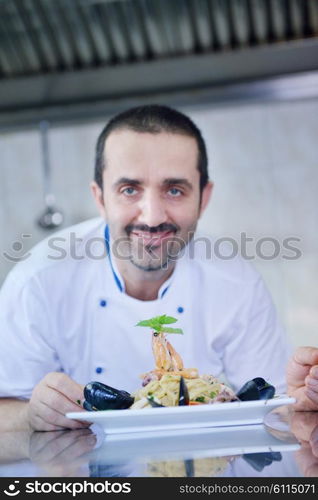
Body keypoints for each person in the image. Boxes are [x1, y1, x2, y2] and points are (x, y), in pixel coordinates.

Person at [0, 105, 317, 432]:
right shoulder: (37, 282)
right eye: (129, 190)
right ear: (100, 198)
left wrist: (299, 407)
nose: (152, 217)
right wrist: (28, 416)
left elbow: (274, 409)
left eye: (175, 190)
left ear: (203, 199)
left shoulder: (236, 283)